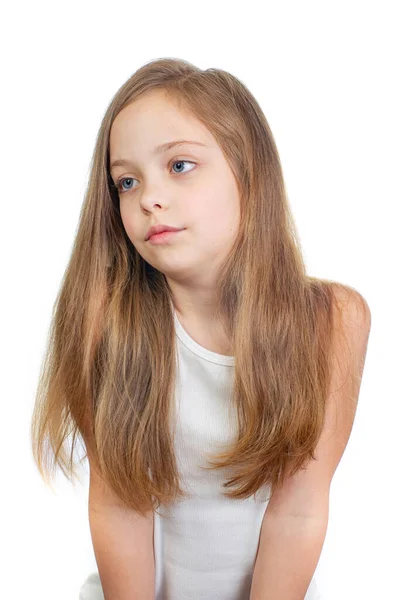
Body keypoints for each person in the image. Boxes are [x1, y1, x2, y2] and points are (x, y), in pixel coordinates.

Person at [31, 57, 371, 600]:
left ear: (248, 172)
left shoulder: (332, 322)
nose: (148, 198)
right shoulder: (107, 324)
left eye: (180, 166)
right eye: (126, 181)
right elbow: (118, 507)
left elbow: (299, 511)